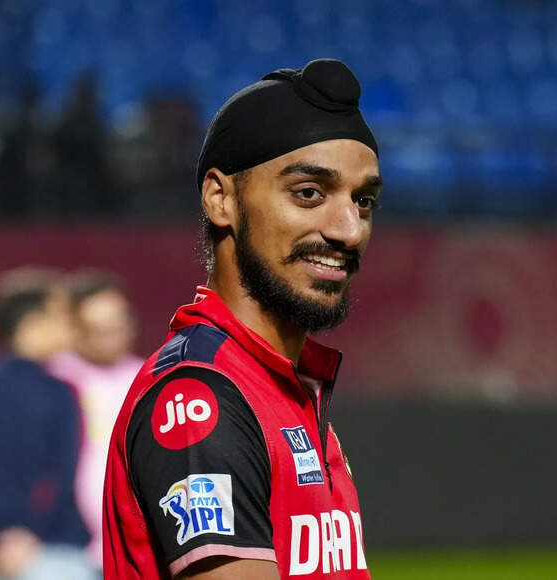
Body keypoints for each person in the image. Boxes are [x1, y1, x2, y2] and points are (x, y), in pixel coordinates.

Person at [103, 59, 381, 579]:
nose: (349, 229)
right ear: (221, 199)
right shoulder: (199, 401)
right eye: (309, 193)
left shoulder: (282, 386)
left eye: (363, 200)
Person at [0, 267, 93, 580]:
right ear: (31, 325)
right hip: (53, 554)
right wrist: (26, 533)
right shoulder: (59, 393)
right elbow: (58, 477)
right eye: (62, 317)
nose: (71, 327)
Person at [47, 271, 143, 572]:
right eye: (99, 329)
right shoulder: (55, 380)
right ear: (74, 328)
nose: (113, 337)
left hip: (133, 544)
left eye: (119, 325)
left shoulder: (146, 378)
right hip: (65, 547)